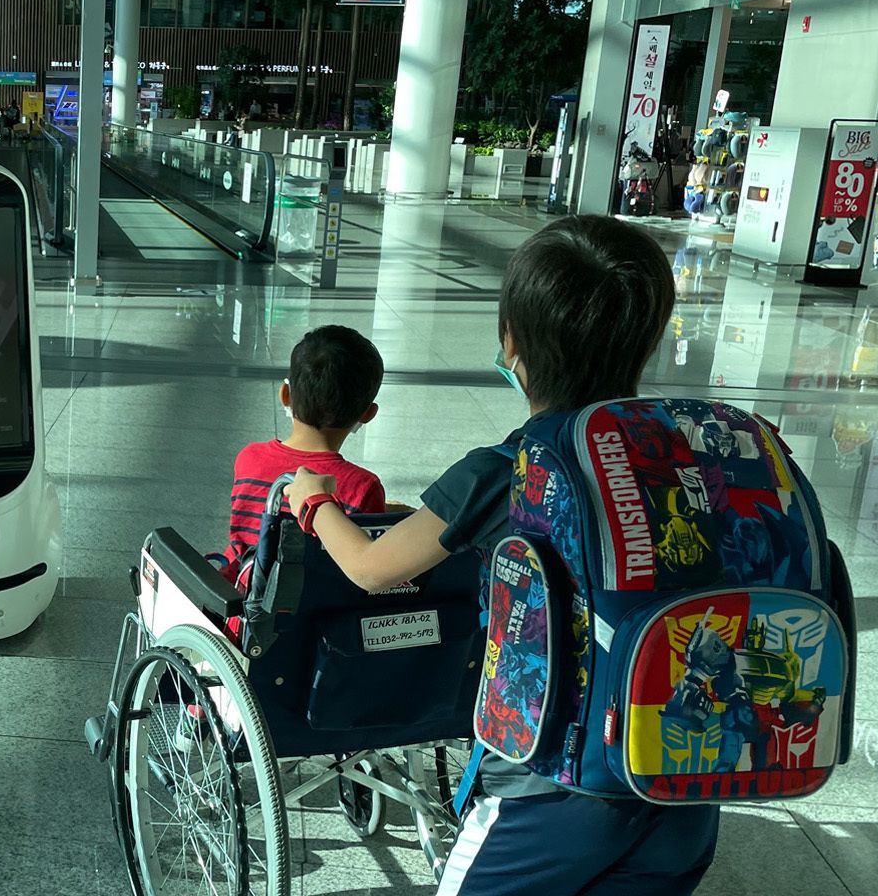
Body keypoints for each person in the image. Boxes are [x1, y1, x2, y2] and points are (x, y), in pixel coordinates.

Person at [283, 216, 705, 896]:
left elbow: (369, 566)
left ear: (512, 342)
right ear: (649, 334)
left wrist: (314, 501)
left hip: (551, 787)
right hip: (682, 775)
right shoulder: (689, 453)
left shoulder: (509, 470)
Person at [221, 325, 387, 584]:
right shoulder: (363, 486)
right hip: (304, 610)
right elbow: (365, 560)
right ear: (368, 414)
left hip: (237, 590)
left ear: (285, 395)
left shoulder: (249, 458)